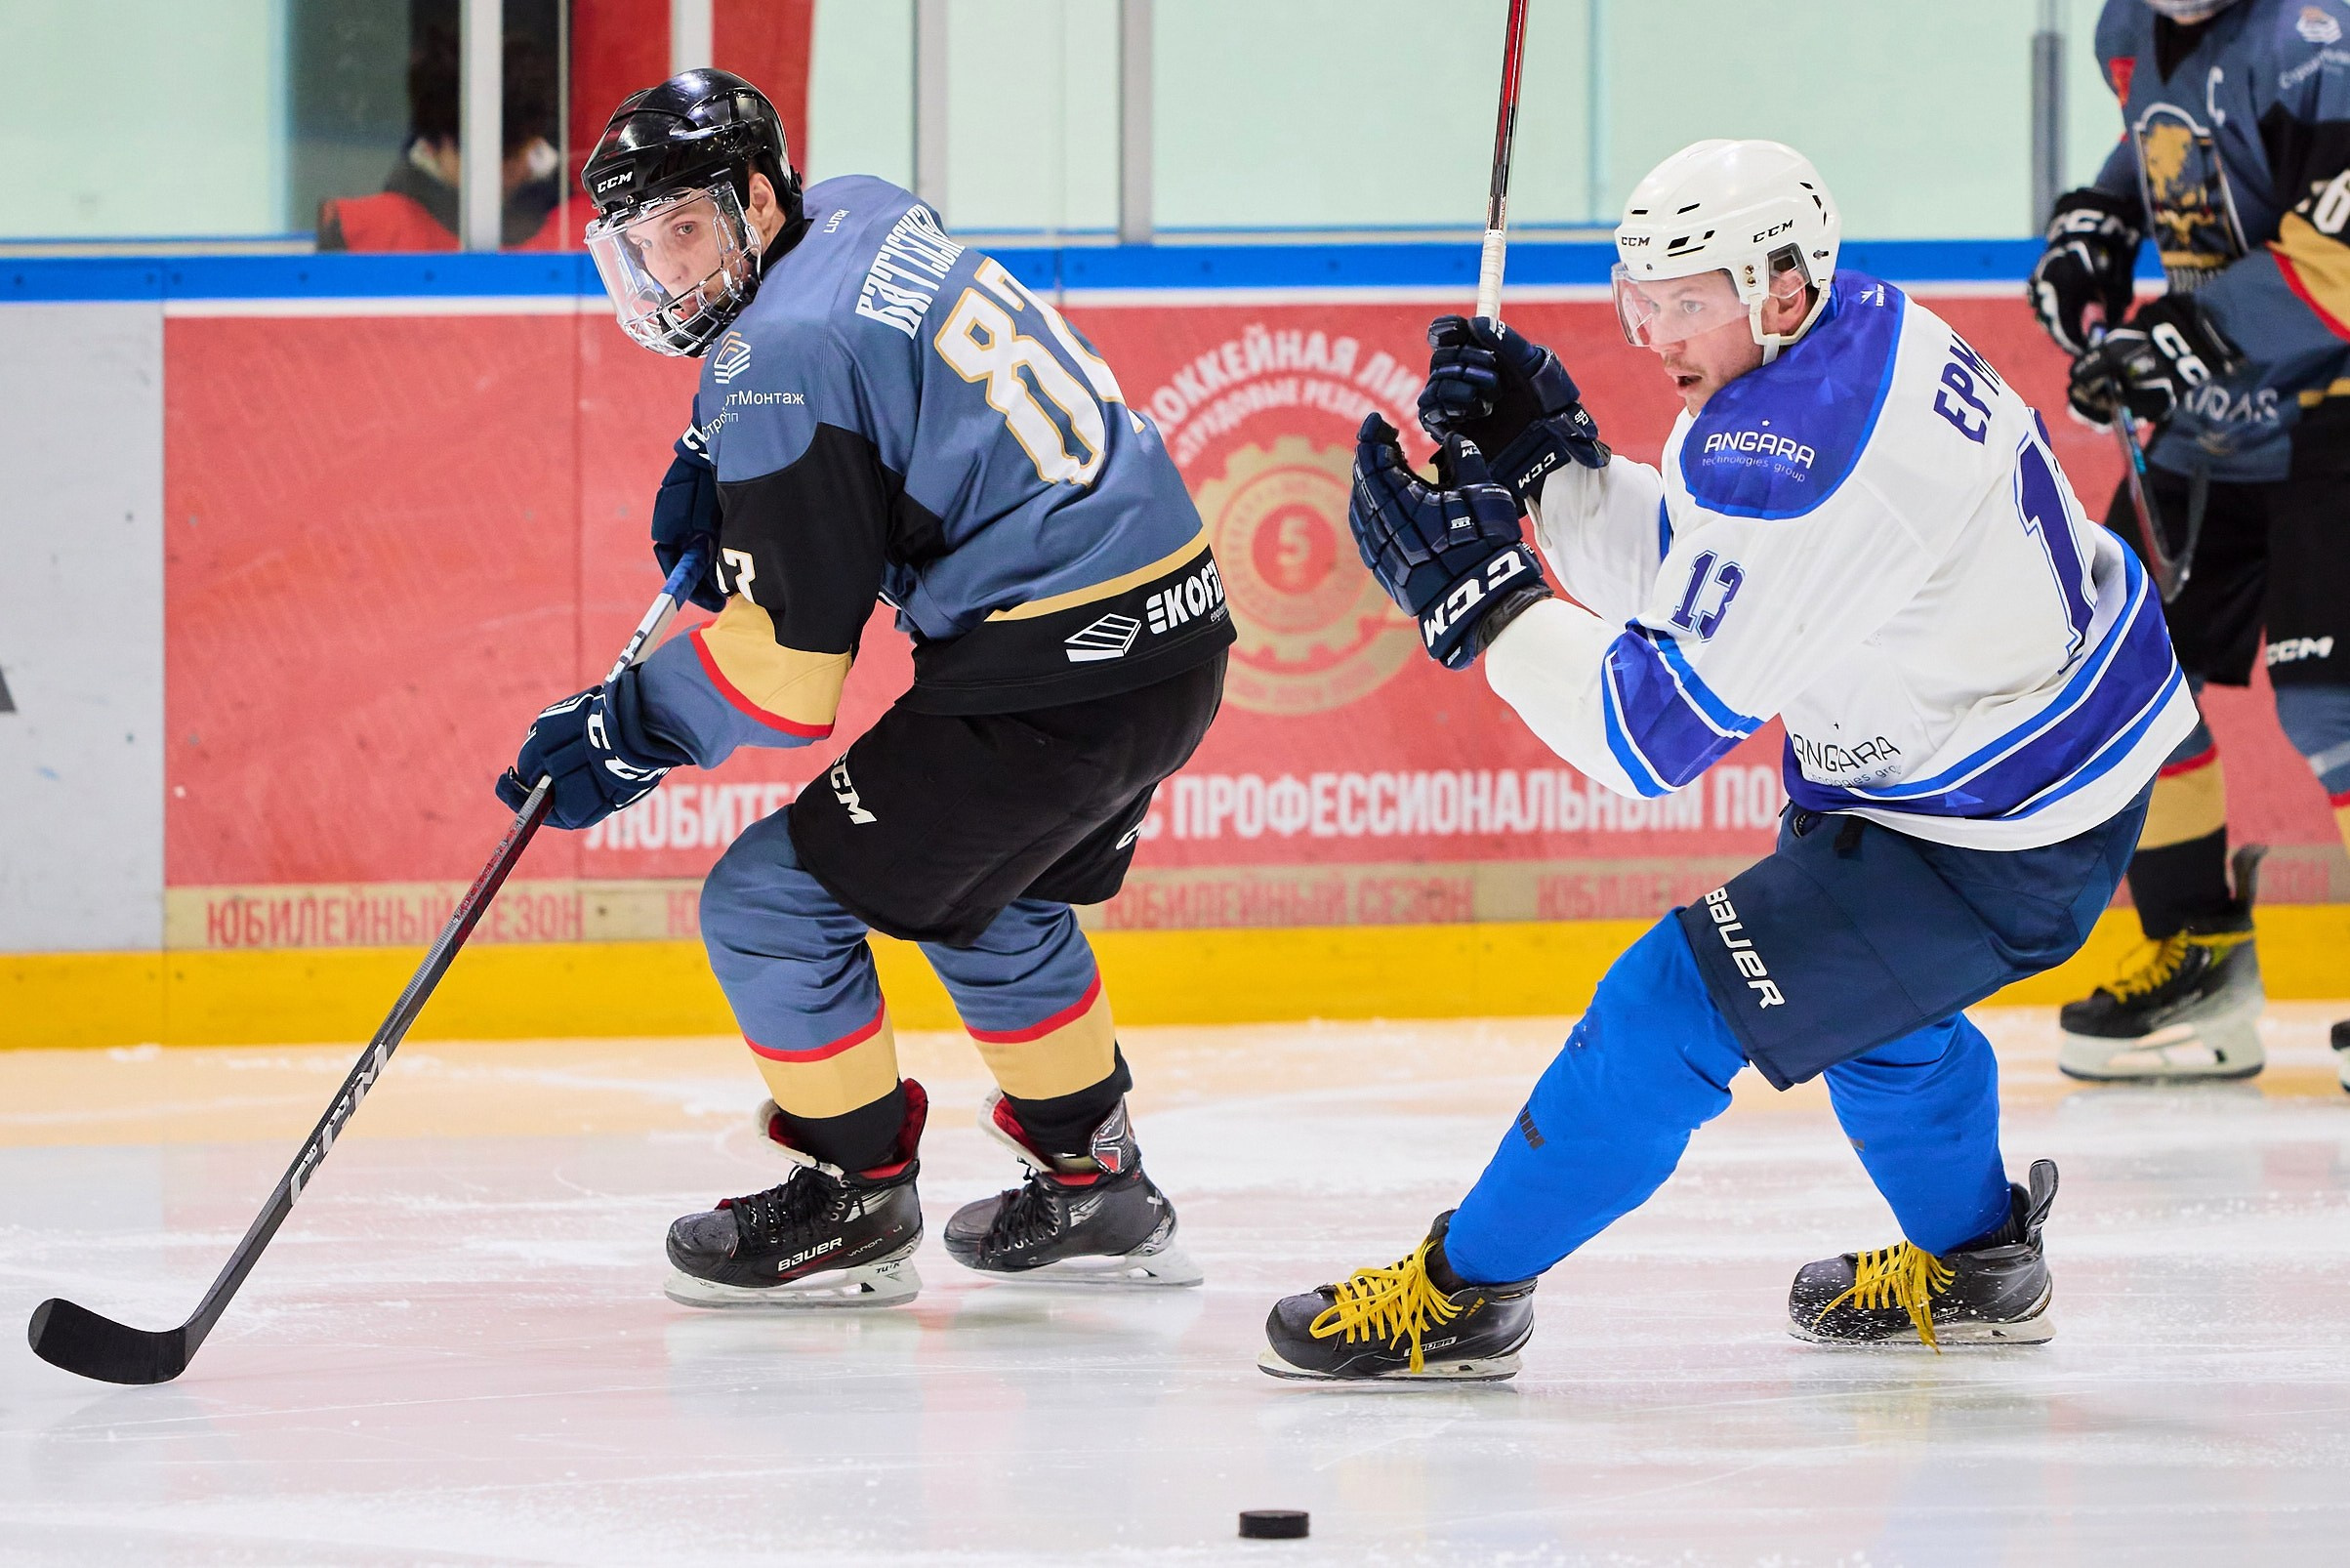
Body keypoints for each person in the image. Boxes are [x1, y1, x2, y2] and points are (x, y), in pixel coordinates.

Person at [1259, 139, 2195, 1382]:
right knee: (1881, 1025)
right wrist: (1555, 465)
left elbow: (1647, 737)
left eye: (1684, 299)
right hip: (2009, 762)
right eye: (1634, 296)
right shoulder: (1853, 336)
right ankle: (1979, 1268)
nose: (1651, 333)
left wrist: (1477, 608)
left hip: (1995, 825)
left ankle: (1462, 1295)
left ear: (1781, 289)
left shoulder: (1800, 461)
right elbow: (1719, 581)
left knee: (1668, 1005)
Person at [499, 70, 1231, 1308]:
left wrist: (627, 732)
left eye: (683, 230)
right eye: (639, 246)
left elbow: (790, 675)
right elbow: (888, 370)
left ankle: (852, 1198)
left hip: (1050, 672)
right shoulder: (855, 206)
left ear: (750, 198)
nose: (665, 273)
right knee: (989, 899)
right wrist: (724, 463)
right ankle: (1095, 1183)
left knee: (768, 905)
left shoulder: (775, 354)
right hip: (1173, 637)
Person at [2028, 0, 2350, 1090]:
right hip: (2218, 420)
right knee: (2125, 682)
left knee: (2333, 703)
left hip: (2337, 409)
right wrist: (2098, 226)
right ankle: (2201, 957)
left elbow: (2343, 245)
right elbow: (2171, 140)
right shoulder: (2128, 28)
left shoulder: (2323, 32)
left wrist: (2190, 332)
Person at [317, 30, 576, 253]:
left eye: (513, 156)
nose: (500, 174)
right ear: (432, 147)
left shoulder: (590, 228)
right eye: (479, 159)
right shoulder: (357, 233)